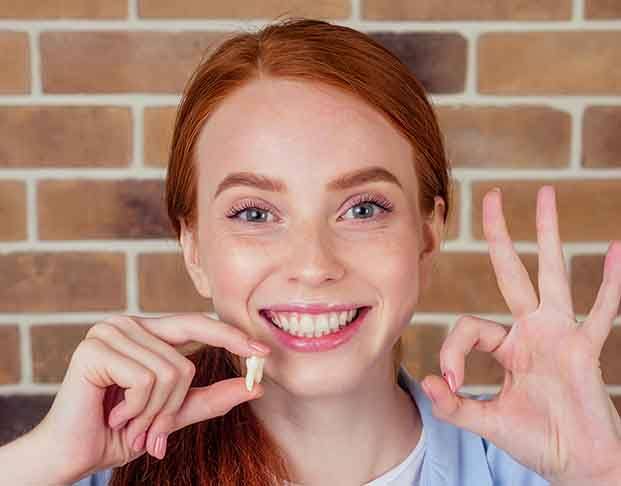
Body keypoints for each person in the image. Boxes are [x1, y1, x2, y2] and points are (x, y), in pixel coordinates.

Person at [1, 16, 620, 486]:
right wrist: (43, 462)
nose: (313, 265)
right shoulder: (91, 471)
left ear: (429, 233)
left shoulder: (545, 469)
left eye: (363, 208)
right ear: (194, 249)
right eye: (254, 213)